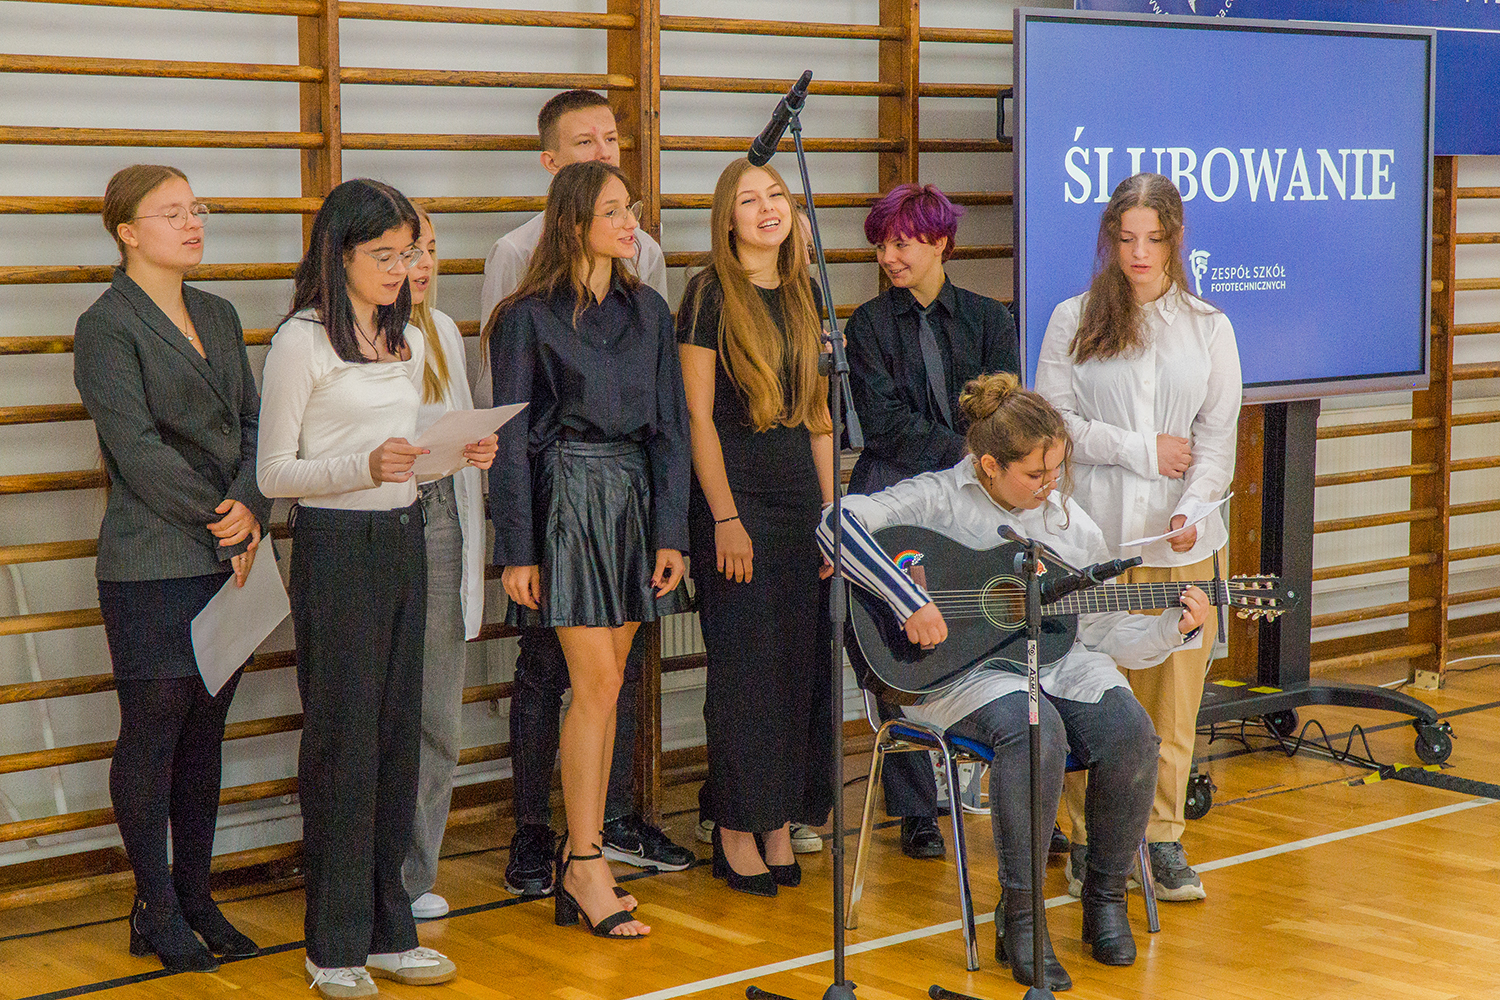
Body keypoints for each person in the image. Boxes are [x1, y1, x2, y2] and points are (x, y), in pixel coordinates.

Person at [819, 373, 1209, 990]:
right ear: (989, 466)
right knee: (1035, 732)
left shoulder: (1067, 523)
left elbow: (1101, 630)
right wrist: (907, 599)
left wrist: (1173, 627)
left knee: (1132, 733)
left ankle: (1105, 897)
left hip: (1058, 661)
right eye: (1035, 474)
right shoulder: (938, 497)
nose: (1051, 485)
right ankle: (1022, 918)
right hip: (958, 675)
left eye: (1057, 470)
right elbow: (833, 523)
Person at [259, 178, 493, 997]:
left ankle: (392, 929)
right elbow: (275, 473)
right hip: (335, 549)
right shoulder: (301, 341)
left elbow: (406, 459)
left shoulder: (406, 336)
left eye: (410, 253)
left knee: (398, 740)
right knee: (345, 746)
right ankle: (332, 944)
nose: (402, 269)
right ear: (340, 253)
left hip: (402, 539)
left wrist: (453, 454)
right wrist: (362, 466)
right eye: (385, 255)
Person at [478, 89, 693, 895]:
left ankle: (585, 850)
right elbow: (509, 440)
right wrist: (517, 549)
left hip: (633, 504)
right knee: (593, 685)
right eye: (613, 211)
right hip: (566, 501)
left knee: (611, 684)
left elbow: (670, 428)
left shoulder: (651, 310)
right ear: (573, 223)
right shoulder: (524, 317)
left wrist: (671, 533)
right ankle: (585, 862)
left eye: (629, 208)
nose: (630, 222)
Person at [74, 163, 270, 974]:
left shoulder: (218, 313)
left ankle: (195, 896)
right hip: (153, 558)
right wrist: (222, 516)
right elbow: (137, 450)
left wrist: (251, 500)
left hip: (231, 550)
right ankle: (155, 905)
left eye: (197, 209)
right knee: (154, 727)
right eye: (172, 213)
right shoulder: (106, 325)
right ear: (127, 232)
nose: (193, 224)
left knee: (205, 730)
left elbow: (257, 422)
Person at [1035, 172, 1241, 903]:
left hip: (1183, 544)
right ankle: (1088, 844)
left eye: (1153, 239)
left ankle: (1161, 840)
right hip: (1093, 545)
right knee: (1090, 691)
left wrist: (1193, 508)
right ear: (1110, 240)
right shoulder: (1073, 318)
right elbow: (1054, 426)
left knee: (1173, 702)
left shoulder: (1209, 325)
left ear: (1175, 240)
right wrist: (1140, 450)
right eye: (1126, 239)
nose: (1139, 253)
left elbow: (1216, 440)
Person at [843, 182, 1020, 860]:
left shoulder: (988, 318)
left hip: (975, 498)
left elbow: (1004, 409)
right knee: (897, 646)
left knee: (991, 629)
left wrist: (980, 467)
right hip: (897, 492)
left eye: (902, 243)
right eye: (882, 245)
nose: (889, 257)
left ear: (941, 242)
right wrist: (967, 458)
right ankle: (916, 807)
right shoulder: (868, 325)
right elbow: (884, 423)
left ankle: (1018, 787)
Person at [678, 157, 836, 897]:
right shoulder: (709, 293)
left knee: (798, 667)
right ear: (728, 219)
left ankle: (779, 821)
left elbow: (819, 417)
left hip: (801, 502)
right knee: (745, 671)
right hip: (736, 500)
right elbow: (698, 417)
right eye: (749, 199)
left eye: (776, 194)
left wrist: (832, 517)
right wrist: (725, 517)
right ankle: (735, 828)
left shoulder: (805, 292)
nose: (767, 207)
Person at [400, 208, 488, 921]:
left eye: (430, 248)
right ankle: (372, 874)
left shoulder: (445, 331)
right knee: (384, 713)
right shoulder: (332, 333)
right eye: (408, 251)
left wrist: (473, 447)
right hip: (384, 520)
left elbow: (455, 428)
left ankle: (415, 872)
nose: (423, 263)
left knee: (438, 717)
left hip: (444, 519)